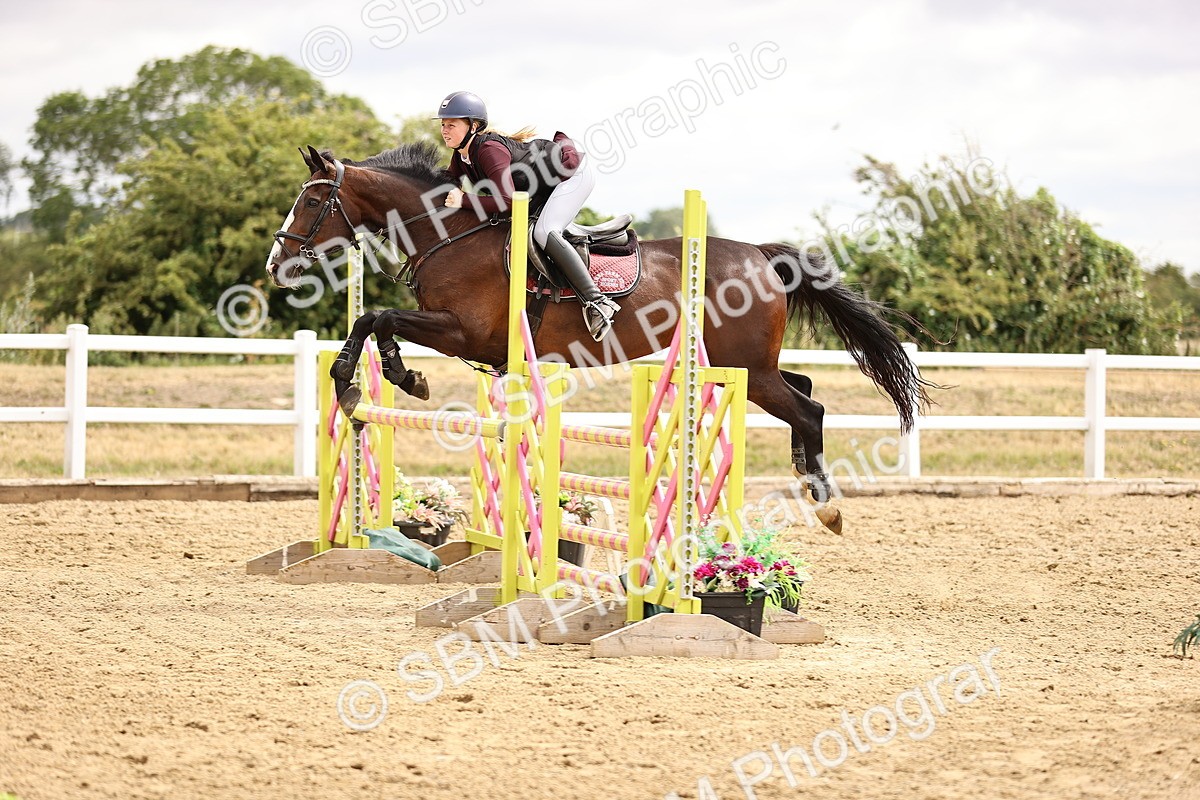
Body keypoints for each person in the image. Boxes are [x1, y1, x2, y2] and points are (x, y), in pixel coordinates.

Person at [434, 90, 620, 342]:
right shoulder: (462, 156)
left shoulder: (488, 149)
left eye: (451, 125)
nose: (445, 130)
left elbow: (508, 201)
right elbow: (445, 184)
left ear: (473, 126)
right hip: (542, 188)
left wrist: (463, 200)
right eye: (443, 125)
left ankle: (597, 302)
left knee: (544, 232)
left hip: (570, 176)